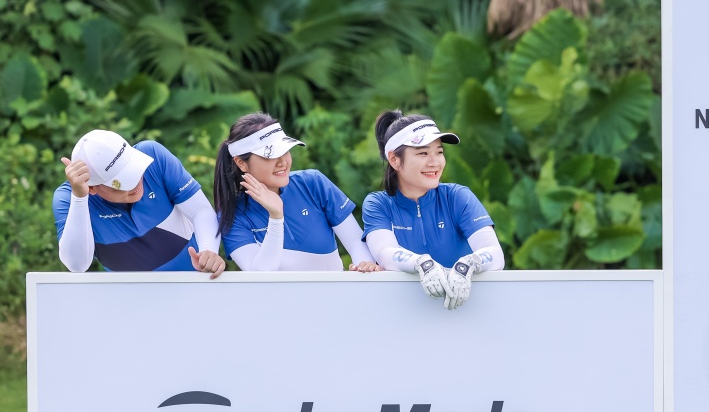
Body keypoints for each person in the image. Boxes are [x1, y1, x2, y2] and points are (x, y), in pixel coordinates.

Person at [361, 110, 504, 309]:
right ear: (394, 160)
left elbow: (495, 254)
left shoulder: (457, 196)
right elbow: (384, 253)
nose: (435, 162)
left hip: (465, 311)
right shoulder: (378, 204)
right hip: (403, 313)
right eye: (423, 153)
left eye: (439, 152)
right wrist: (422, 264)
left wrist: (469, 264)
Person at [214, 113, 379, 272]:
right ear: (241, 163)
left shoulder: (313, 183)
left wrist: (364, 265)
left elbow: (355, 241)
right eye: (269, 155)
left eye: (284, 151)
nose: (282, 162)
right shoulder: (232, 213)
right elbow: (261, 274)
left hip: (336, 291)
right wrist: (276, 217)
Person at [54, 130, 225, 277]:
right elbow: (77, 265)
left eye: (134, 169)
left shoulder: (152, 154)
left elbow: (200, 210)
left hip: (194, 282)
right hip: (129, 298)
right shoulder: (68, 198)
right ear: (92, 188)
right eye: (121, 183)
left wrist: (208, 250)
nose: (136, 183)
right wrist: (79, 199)